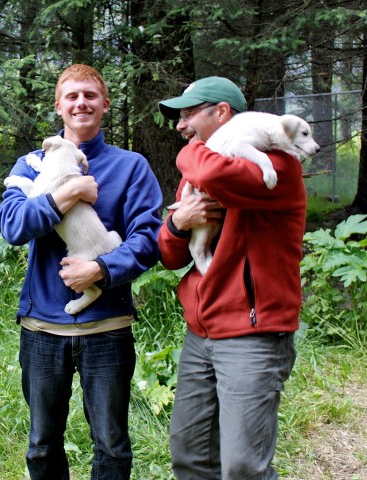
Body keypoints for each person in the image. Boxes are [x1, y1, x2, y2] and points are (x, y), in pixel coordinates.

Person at [0, 64, 163, 479]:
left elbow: (148, 240)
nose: (81, 103)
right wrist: (68, 192)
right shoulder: (31, 163)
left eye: (90, 95)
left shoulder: (131, 167)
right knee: (41, 446)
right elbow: (13, 226)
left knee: (111, 445)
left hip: (106, 327)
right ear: (58, 106)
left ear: (105, 104)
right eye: (71, 96)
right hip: (41, 328)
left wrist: (101, 269)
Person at [157, 76, 305, 479]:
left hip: (252, 333)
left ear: (221, 112)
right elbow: (169, 256)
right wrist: (177, 224)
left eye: (189, 115)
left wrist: (189, 152)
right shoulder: (200, 168)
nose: (181, 126)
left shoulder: (277, 165)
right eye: (180, 117)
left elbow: (216, 176)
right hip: (201, 332)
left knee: (243, 467)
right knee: (190, 457)